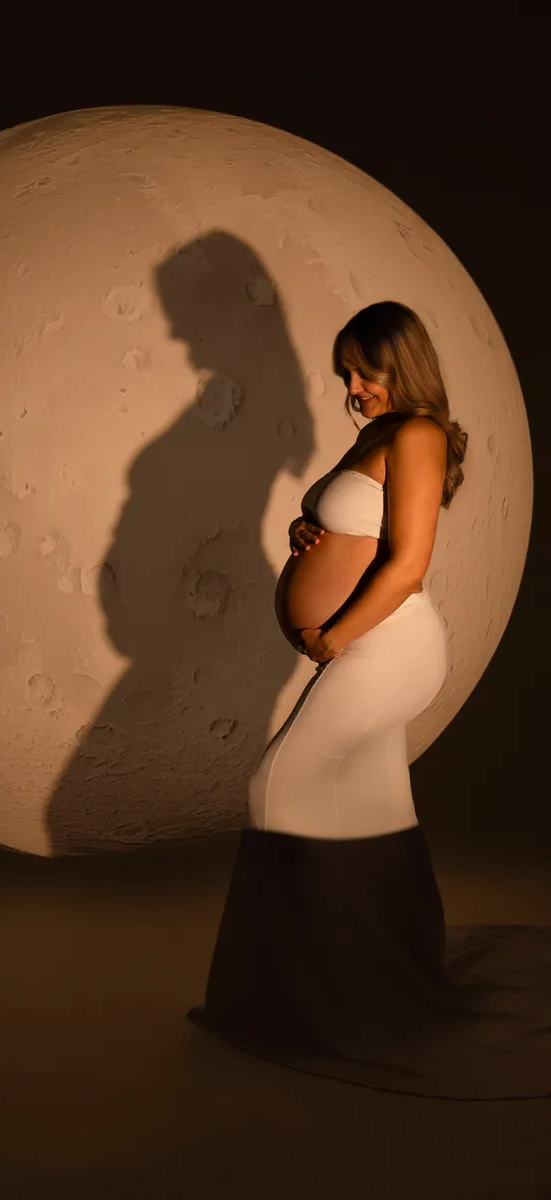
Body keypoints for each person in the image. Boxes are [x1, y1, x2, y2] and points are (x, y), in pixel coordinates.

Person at [187, 301, 551, 1099]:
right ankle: (384, 989)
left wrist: (332, 637)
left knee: (278, 787)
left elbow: (409, 562)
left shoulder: (416, 432)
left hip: (388, 643)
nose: (354, 387)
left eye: (367, 371)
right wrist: (305, 532)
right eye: (346, 372)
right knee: (373, 809)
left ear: (404, 366)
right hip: (369, 640)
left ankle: (316, 1003)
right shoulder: (376, 434)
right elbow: (360, 530)